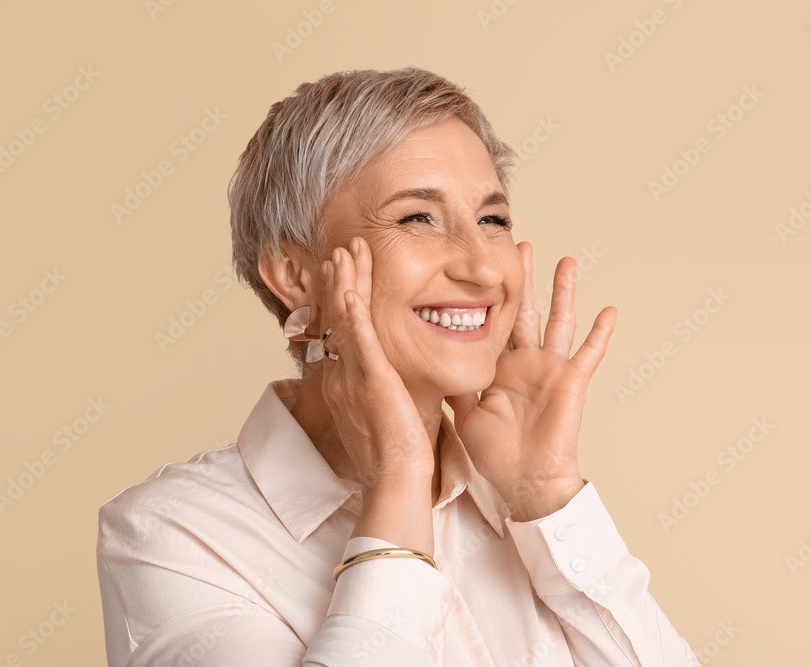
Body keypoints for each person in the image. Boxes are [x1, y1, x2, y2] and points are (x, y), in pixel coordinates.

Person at [96, 66, 699, 666]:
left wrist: (547, 495)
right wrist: (397, 485)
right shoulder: (172, 534)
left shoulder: (515, 498)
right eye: (417, 218)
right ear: (294, 274)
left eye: (492, 220)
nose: (484, 269)